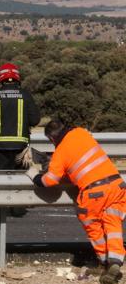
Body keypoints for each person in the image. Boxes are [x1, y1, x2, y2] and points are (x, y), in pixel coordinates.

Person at [27, 119, 126, 284]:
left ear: (52, 139)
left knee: (92, 224)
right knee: (112, 222)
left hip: (94, 192)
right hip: (117, 185)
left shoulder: (60, 153)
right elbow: (80, 161)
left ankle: (105, 263)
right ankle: (116, 261)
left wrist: (35, 176)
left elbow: (50, 181)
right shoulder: (81, 132)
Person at [0, 63, 40, 169]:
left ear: (0, 78)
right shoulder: (25, 95)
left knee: (4, 179)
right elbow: (35, 120)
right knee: (21, 180)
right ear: (17, 77)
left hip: (0, 147)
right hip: (21, 146)